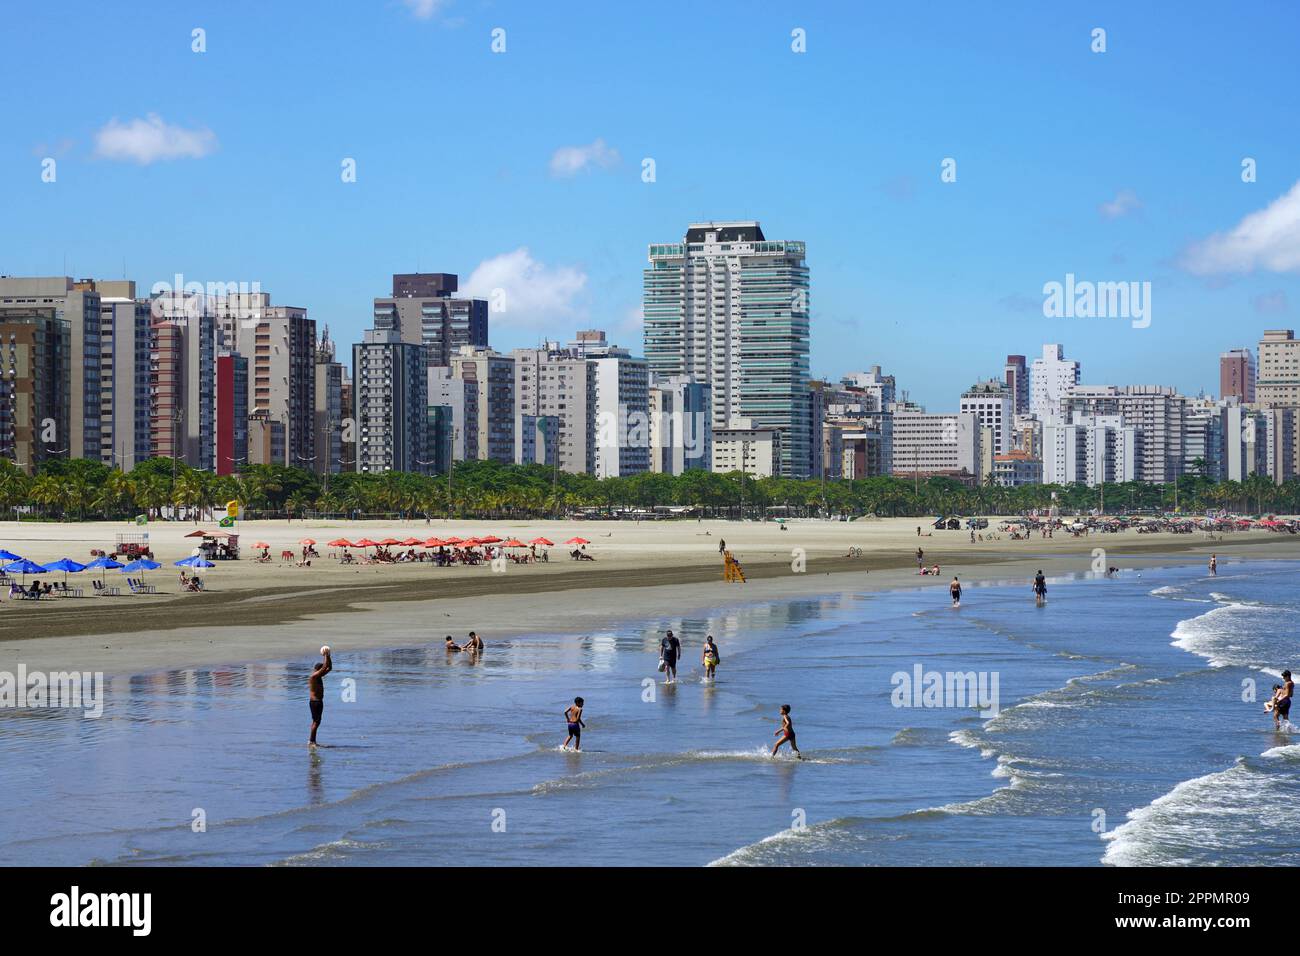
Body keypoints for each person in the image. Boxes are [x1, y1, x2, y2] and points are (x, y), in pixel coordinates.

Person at [308, 646, 332, 747]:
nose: (323, 671)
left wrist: (329, 656)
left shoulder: (318, 676)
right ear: (317, 670)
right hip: (315, 702)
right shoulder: (314, 676)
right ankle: (311, 741)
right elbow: (325, 666)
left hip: (318, 702)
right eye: (321, 669)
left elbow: (329, 667)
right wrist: (325, 654)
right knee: (316, 722)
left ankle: (312, 741)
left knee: (316, 722)